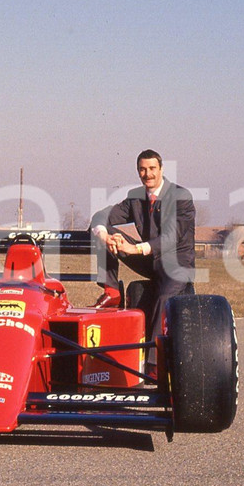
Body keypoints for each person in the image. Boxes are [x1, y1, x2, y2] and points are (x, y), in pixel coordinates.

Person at [90, 149, 196, 348]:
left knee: (163, 299)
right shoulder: (136, 197)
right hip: (151, 260)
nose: (148, 174)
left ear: (161, 169)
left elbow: (171, 237)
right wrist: (106, 237)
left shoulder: (181, 196)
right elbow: (101, 216)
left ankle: (155, 363)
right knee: (101, 230)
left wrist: (134, 249)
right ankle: (111, 290)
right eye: (142, 169)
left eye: (152, 168)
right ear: (138, 171)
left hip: (177, 264)